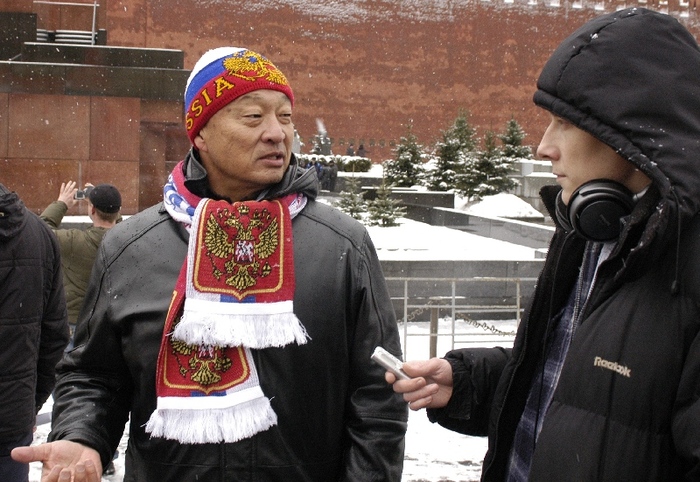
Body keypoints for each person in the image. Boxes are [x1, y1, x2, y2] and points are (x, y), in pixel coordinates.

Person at [13, 46, 407, 481]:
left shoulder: (342, 245)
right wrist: (82, 436)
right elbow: (94, 375)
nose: (277, 133)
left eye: (286, 117)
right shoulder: (131, 246)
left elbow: (379, 396)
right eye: (253, 117)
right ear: (200, 133)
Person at [386, 8, 700, 481]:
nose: (543, 146)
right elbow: (580, 389)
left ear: (627, 132)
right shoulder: (589, 232)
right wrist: (471, 384)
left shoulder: (684, 265)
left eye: (564, 123)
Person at [0, 183, 69, 482]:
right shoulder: (38, 234)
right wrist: (29, 404)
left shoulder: (39, 233)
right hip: (11, 420)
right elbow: (54, 339)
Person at [40, 181, 122, 346]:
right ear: (118, 210)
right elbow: (118, 223)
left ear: (92, 210)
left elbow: (42, 231)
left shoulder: (74, 242)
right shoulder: (128, 240)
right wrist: (107, 204)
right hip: (111, 322)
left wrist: (62, 203)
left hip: (76, 324)